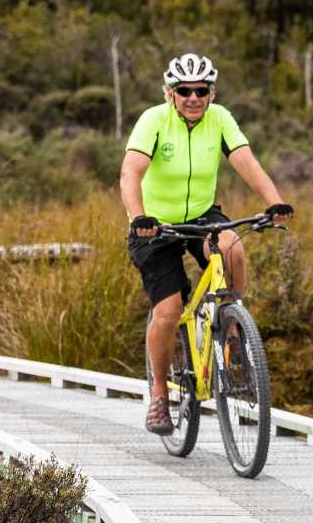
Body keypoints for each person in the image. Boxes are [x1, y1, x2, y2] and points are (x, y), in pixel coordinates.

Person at [120, 53, 293, 434]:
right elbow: (131, 172)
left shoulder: (220, 118)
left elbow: (247, 162)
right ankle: (159, 396)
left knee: (232, 247)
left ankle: (232, 325)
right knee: (167, 311)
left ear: (211, 92)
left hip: (200, 215)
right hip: (155, 224)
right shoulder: (153, 120)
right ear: (170, 93)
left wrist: (273, 201)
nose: (193, 98)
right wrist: (138, 219)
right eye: (185, 91)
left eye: (201, 90)